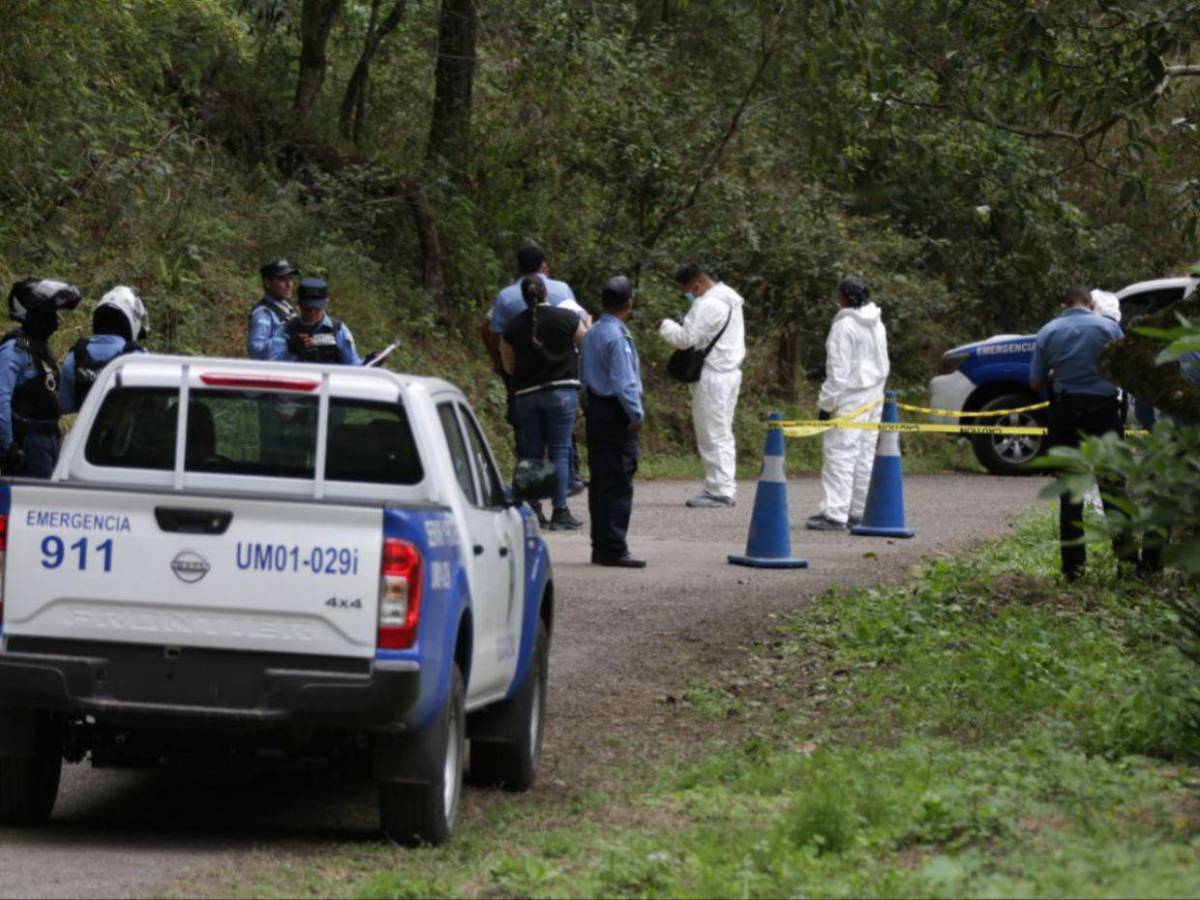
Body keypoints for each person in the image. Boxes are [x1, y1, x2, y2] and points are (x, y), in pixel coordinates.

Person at [1030, 284, 1154, 580]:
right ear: (1090, 303)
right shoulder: (1109, 329)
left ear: (1064, 304)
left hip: (1065, 412)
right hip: (1103, 412)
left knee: (1070, 495)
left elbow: (1034, 382)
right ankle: (1127, 565)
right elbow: (1129, 370)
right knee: (1113, 489)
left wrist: (1054, 373)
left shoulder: (1048, 331)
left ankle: (1073, 569)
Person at [483, 245, 589, 494]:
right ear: (544, 268)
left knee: (528, 444)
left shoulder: (506, 298)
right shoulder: (562, 289)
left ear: (518, 269)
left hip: (525, 381)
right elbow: (582, 333)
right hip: (561, 380)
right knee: (561, 445)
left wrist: (502, 368)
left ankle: (533, 500)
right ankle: (565, 493)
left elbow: (495, 334)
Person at [501, 276, 585, 530]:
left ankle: (533, 510)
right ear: (546, 292)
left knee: (532, 453)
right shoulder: (569, 319)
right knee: (560, 450)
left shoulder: (512, 327)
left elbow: (508, 365)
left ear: (524, 297)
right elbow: (584, 345)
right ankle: (560, 511)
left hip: (526, 395)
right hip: (562, 392)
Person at [806, 275, 890, 531]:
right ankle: (859, 509)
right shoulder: (876, 322)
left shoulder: (844, 326)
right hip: (874, 394)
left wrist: (826, 404)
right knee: (864, 454)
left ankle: (835, 513)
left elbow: (839, 374)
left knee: (840, 453)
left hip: (851, 396)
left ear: (843, 296)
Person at [658, 264, 745, 508]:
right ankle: (724, 486)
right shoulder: (730, 299)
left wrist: (665, 325)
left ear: (696, 285)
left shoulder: (707, 304)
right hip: (730, 374)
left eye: (688, 290)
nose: (689, 295)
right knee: (722, 433)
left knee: (711, 435)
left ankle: (720, 490)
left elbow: (685, 340)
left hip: (714, 377)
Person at [580, 276, 645, 568]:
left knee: (600, 481)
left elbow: (582, 375)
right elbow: (623, 382)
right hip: (615, 412)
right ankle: (615, 547)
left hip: (595, 409)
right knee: (618, 480)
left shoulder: (592, 333)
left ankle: (601, 545)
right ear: (628, 304)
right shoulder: (617, 337)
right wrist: (635, 414)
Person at [0, 279, 82, 477]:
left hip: (51, 437)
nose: (55, 321)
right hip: (28, 442)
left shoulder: (40, 348)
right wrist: (9, 445)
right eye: (48, 314)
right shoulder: (14, 350)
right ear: (32, 315)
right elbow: (2, 400)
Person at [59, 285, 149, 413]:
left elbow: (65, 408)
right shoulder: (137, 358)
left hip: (85, 432)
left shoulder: (74, 357)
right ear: (132, 319)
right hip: (124, 432)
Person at [271, 277, 362, 365]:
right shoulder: (286, 330)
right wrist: (290, 350)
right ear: (299, 303)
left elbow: (353, 364)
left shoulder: (338, 330)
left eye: (316, 308)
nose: (312, 312)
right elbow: (271, 365)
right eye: (307, 308)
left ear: (326, 302)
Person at [247, 258, 299, 359]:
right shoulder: (262, 314)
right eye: (282, 279)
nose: (289, 285)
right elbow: (255, 351)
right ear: (267, 282)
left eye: (290, 278)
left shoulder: (287, 306)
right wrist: (285, 340)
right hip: (274, 372)